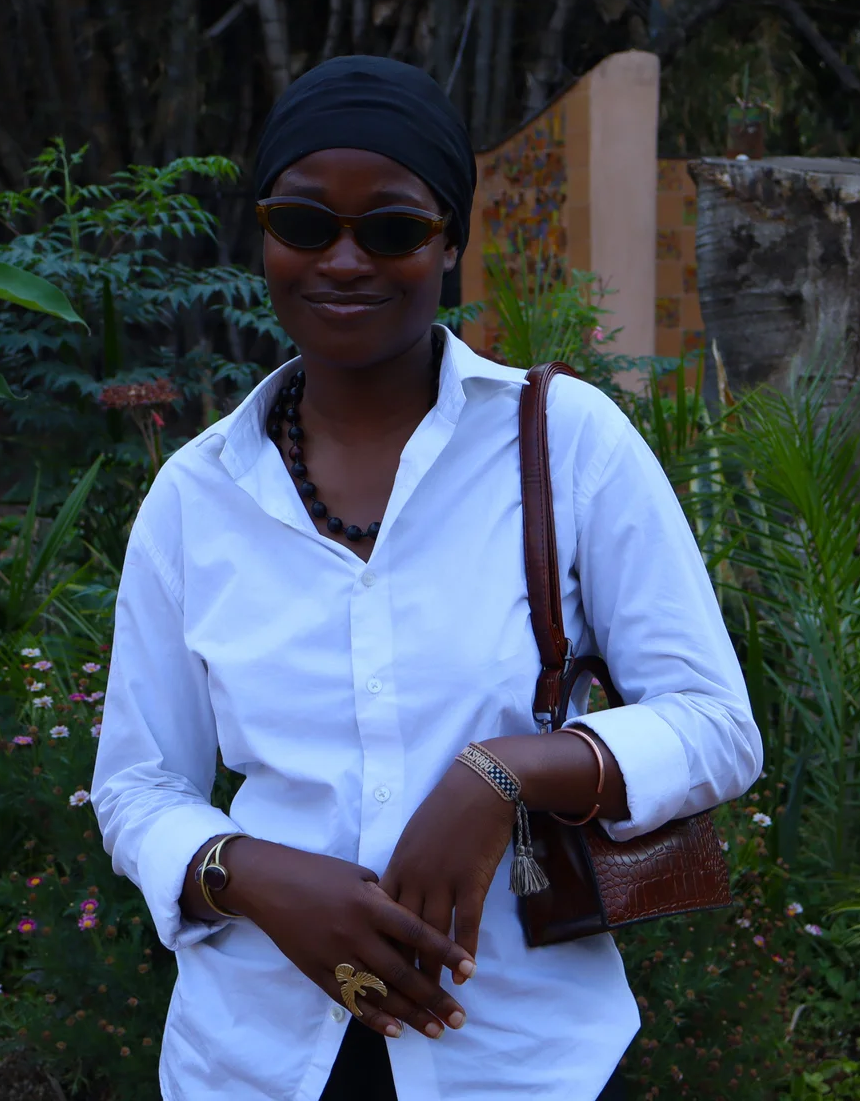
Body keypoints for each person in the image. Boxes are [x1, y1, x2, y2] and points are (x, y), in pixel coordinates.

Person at [92, 55, 761, 1101]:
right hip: (255, 1058)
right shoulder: (196, 496)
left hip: (523, 1060)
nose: (344, 260)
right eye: (306, 224)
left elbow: (719, 725)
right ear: (264, 235)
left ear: (449, 243)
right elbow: (137, 783)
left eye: (393, 229)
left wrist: (507, 772)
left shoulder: (564, 444)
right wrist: (248, 871)